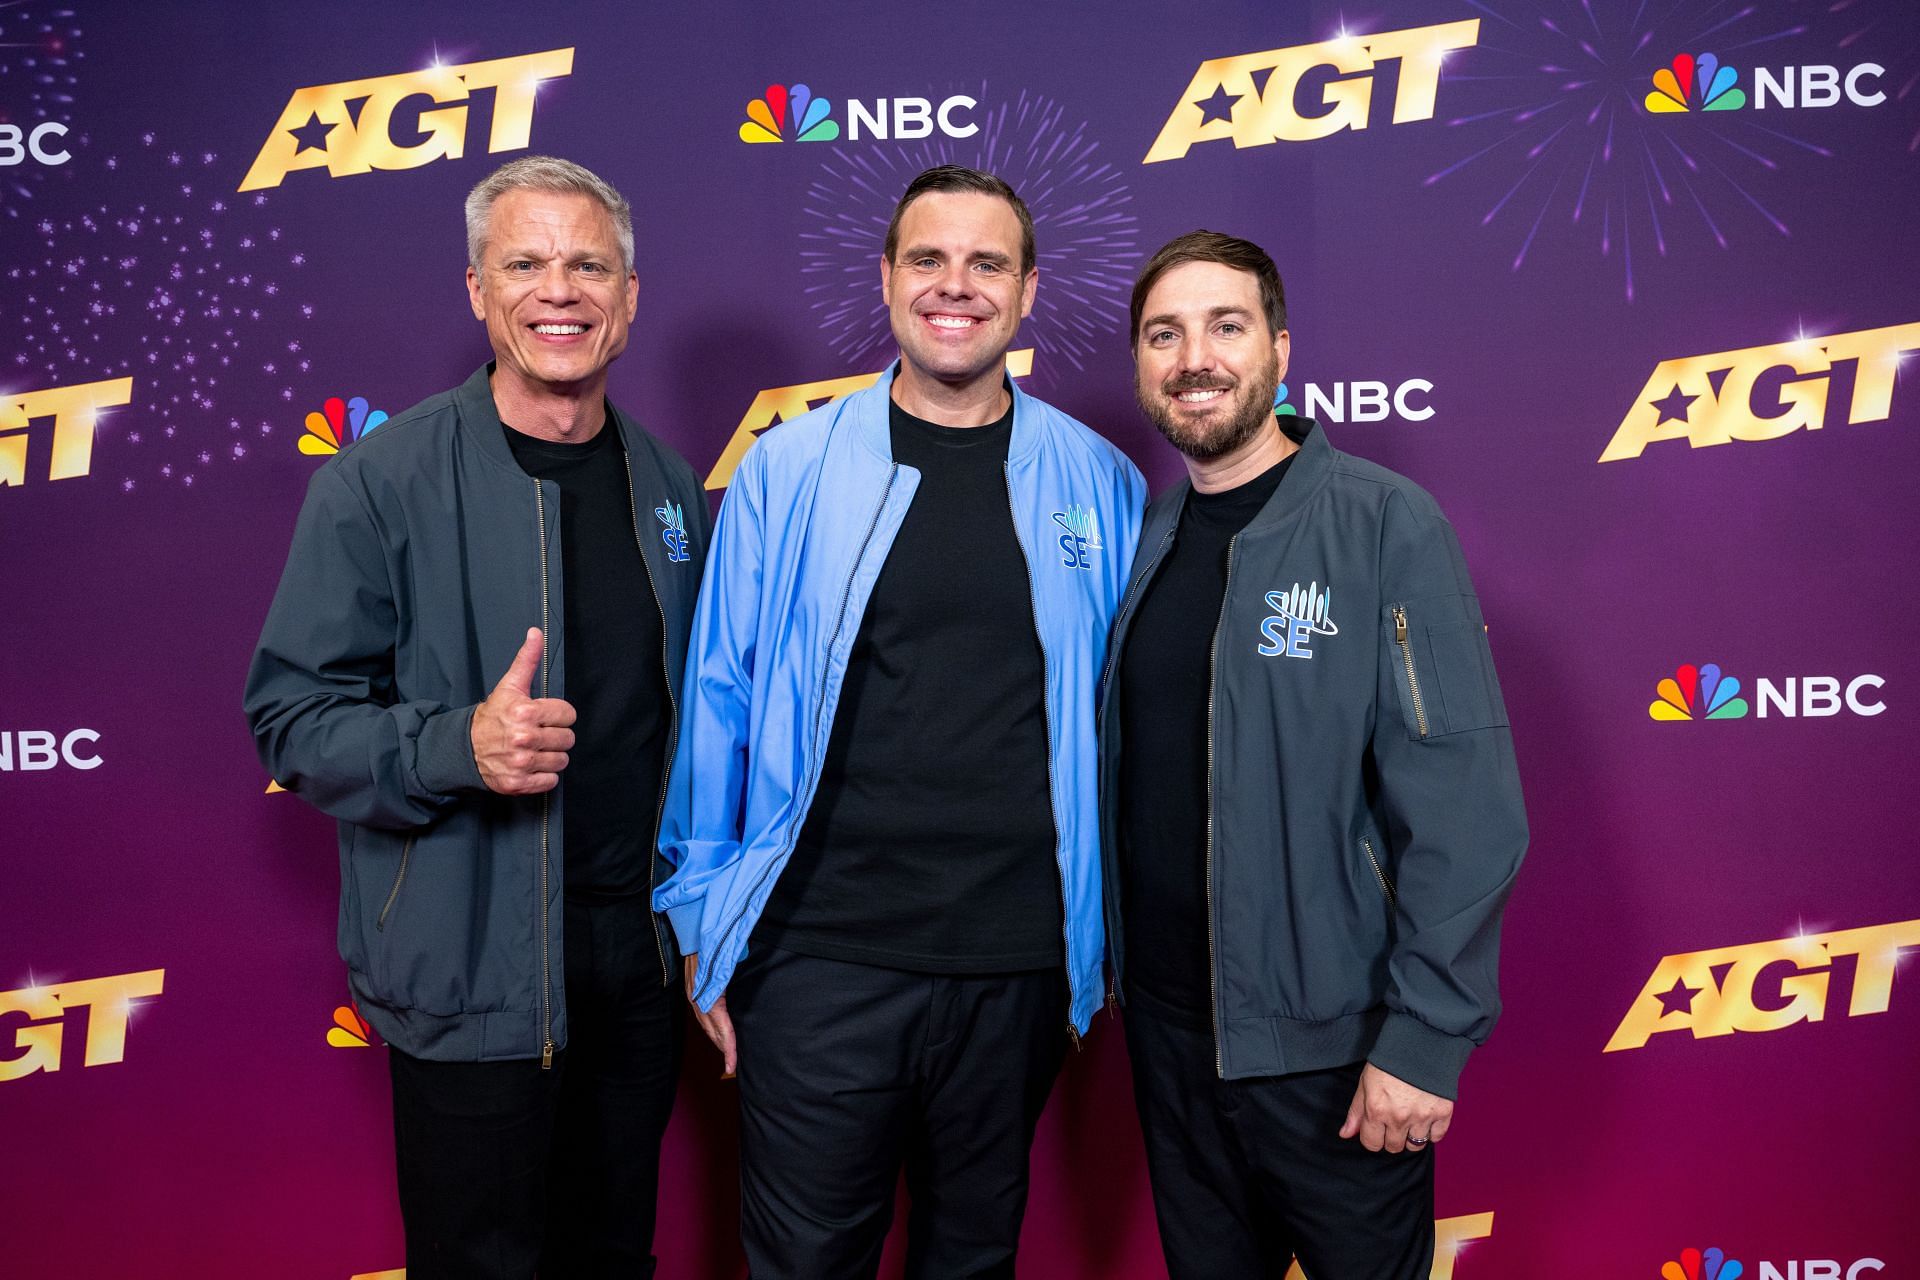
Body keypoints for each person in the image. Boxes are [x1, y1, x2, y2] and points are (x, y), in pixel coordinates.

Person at [654, 164, 1145, 1279]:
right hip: (817, 956)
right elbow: (720, 697)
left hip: (1017, 966)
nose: (954, 286)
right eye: (928, 258)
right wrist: (700, 921)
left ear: (1025, 292)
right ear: (886, 281)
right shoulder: (785, 469)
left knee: (970, 1260)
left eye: (987, 264)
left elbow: (1122, 720)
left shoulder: (1101, 480)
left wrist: (1096, 942)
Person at [243, 155, 707, 1279]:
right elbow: (291, 717)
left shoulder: (669, 483)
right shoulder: (378, 481)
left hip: (633, 968)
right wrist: (459, 744)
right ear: (475, 290)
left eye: (590, 264)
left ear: (631, 297)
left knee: (613, 1254)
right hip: (469, 960)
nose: (562, 289)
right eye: (527, 262)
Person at [1100, 230, 1528, 1280]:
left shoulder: (1385, 522)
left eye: (1226, 326)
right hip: (1171, 1041)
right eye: (1166, 333)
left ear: (1281, 350)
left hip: (1338, 1055)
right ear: (1143, 365)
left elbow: (1466, 804)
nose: (1195, 356)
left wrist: (1425, 1039)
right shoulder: (1146, 534)